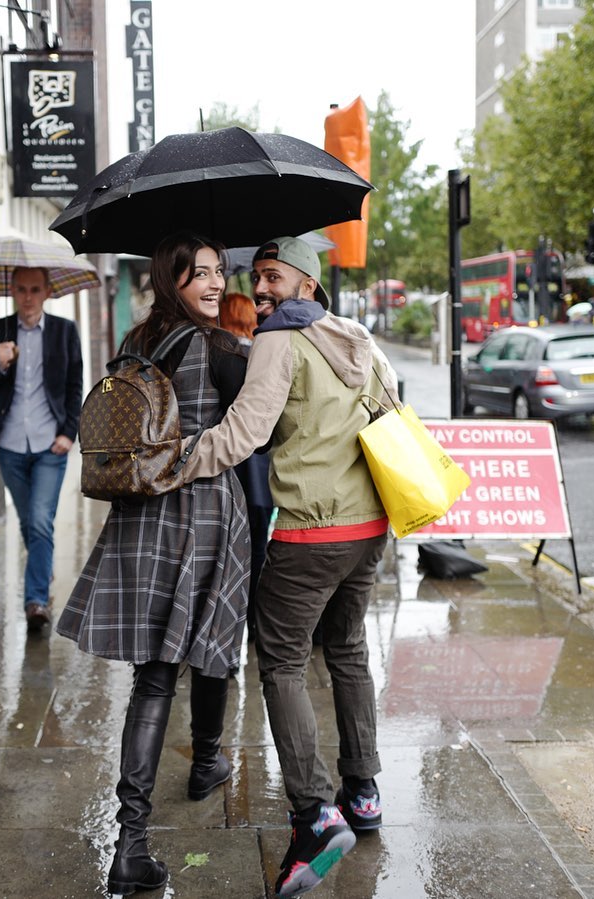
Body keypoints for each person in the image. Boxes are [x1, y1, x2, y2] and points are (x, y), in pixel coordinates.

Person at [181, 236, 401, 898]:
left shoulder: (278, 339)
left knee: (277, 660)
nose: (262, 287)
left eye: (272, 276)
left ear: (307, 282)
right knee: (346, 649)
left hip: (311, 531)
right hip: (368, 528)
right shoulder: (356, 337)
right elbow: (393, 413)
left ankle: (313, 813)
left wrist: (175, 458)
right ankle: (361, 790)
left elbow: (244, 431)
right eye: (258, 276)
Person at [56, 233, 250, 896]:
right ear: (173, 278)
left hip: (140, 514)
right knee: (212, 641)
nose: (215, 284)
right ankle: (204, 762)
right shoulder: (222, 349)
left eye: (220, 272)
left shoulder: (134, 343)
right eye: (200, 274)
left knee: (155, 673)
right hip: (201, 511)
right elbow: (266, 424)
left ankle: (131, 839)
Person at [0, 266, 83, 634]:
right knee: (29, 523)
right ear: (12, 289)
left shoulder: (65, 331)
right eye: (20, 289)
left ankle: (36, 600)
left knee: (39, 521)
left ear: (47, 292)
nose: (27, 296)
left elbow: (75, 385)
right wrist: (1, 363)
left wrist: (70, 433)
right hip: (9, 446)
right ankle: (43, 560)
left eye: (34, 289)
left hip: (49, 445)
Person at [219, 292, 274, 640]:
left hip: (227, 472)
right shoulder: (262, 356)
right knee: (257, 549)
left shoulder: (220, 357)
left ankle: (227, 626)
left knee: (227, 553)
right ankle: (255, 624)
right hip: (261, 475)